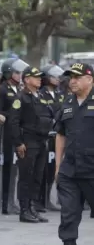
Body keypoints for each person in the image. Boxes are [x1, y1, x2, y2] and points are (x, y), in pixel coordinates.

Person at [55, 63, 94, 245]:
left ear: (90, 79)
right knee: (68, 215)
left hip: (92, 169)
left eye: (77, 78)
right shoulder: (68, 103)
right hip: (69, 171)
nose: (73, 82)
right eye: (71, 78)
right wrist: (58, 167)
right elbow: (60, 135)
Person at [9, 67, 53, 223]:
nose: (39, 79)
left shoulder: (40, 96)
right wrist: (18, 143)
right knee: (26, 177)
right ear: (26, 79)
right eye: (35, 77)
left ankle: (32, 207)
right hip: (28, 142)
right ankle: (24, 210)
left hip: (41, 141)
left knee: (37, 177)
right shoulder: (20, 98)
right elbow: (13, 122)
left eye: (40, 77)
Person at [0, 58, 29, 215]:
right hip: (6, 133)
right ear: (8, 73)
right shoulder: (1, 89)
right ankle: (6, 204)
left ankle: (13, 201)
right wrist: (6, 115)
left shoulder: (21, 90)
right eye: (16, 72)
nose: (20, 75)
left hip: (18, 132)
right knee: (8, 168)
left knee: (17, 169)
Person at [39, 64, 65, 212]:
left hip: (58, 136)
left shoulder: (60, 94)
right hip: (47, 135)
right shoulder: (42, 94)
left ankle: (49, 198)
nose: (57, 79)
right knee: (44, 170)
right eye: (54, 76)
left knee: (54, 169)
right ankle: (41, 200)